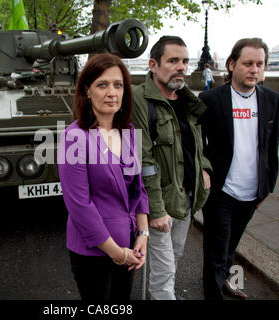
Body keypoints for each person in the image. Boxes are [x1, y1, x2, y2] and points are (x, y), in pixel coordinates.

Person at [57, 53, 150, 300]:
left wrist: (143, 234)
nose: (112, 92)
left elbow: (138, 189)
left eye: (118, 85)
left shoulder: (128, 131)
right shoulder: (74, 137)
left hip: (129, 245)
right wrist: (117, 253)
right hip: (94, 251)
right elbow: (79, 205)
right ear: (87, 91)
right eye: (102, 85)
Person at [199, 38, 279, 300]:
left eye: (260, 64)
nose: (254, 69)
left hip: (253, 192)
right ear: (232, 65)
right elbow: (196, 141)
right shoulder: (211, 99)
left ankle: (225, 281)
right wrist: (202, 170)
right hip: (221, 190)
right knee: (216, 249)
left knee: (231, 245)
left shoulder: (272, 99)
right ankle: (213, 293)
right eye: (248, 63)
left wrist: (268, 186)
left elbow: (272, 146)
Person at [132, 36, 212, 300]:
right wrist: (155, 210)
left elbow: (196, 144)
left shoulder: (188, 100)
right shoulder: (139, 100)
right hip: (161, 203)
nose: (181, 67)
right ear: (154, 65)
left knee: (173, 258)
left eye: (185, 61)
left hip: (186, 197)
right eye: (173, 60)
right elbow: (143, 160)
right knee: (165, 268)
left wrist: (204, 168)